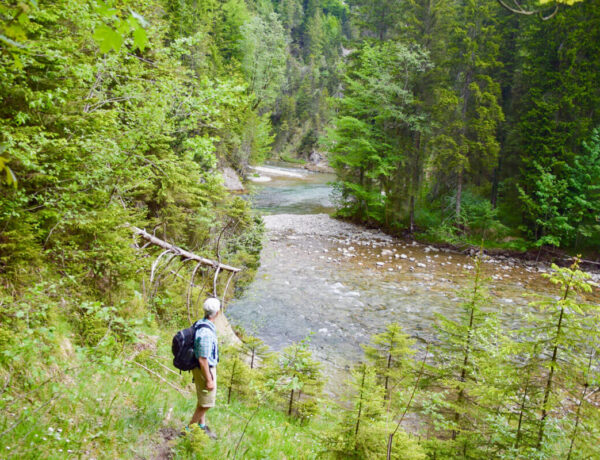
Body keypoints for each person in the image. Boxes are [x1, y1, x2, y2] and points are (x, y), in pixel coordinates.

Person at [189, 297, 220, 439]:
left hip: (200, 368)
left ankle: (201, 426)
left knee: (203, 399)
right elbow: (203, 359)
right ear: (217, 313)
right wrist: (209, 380)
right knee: (207, 403)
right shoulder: (206, 333)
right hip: (205, 369)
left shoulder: (201, 323)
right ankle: (188, 430)